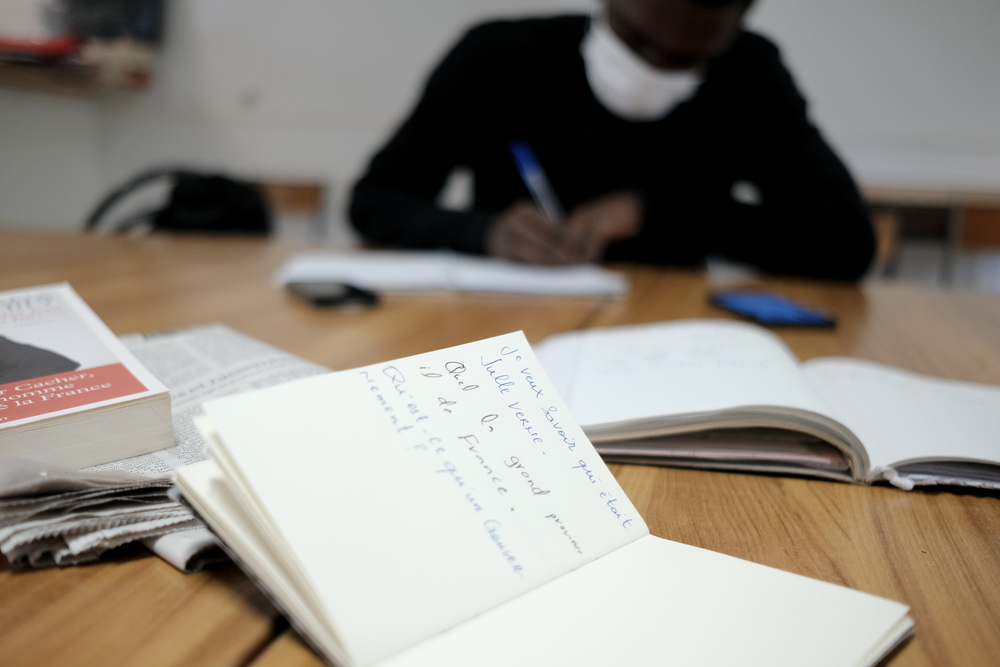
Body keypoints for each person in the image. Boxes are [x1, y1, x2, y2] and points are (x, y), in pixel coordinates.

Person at [349, 0, 876, 280]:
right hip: (505, 326)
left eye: (684, 60)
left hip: (670, 335)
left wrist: (657, 211)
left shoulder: (749, 75)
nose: (651, 68)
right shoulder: (500, 56)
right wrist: (482, 232)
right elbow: (374, 201)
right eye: (635, 40)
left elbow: (846, 241)